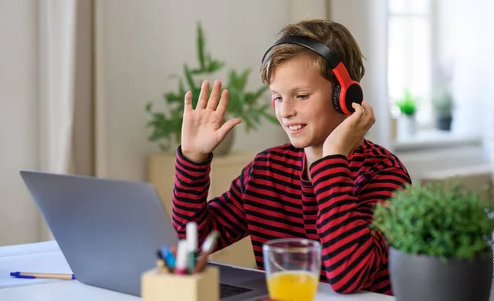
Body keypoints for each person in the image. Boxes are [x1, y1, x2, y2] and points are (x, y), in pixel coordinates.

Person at [171, 19, 411, 295]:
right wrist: (193, 160)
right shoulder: (267, 170)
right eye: (277, 97)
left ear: (344, 96)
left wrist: (332, 160)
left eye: (301, 95)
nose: (286, 112)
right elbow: (197, 240)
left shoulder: (383, 174)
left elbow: (348, 278)